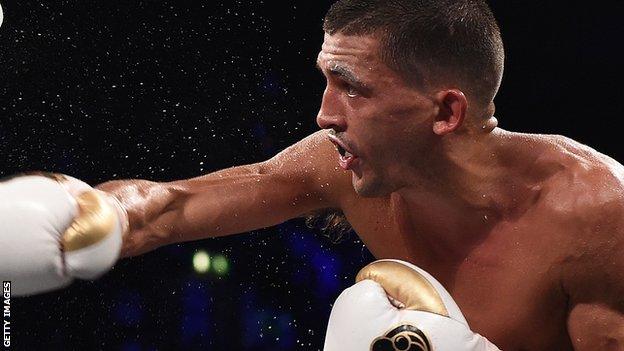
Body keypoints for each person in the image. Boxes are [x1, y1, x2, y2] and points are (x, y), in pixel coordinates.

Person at [1, 0, 623, 349]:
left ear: (446, 111)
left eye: (351, 88)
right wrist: (102, 215)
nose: (324, 113)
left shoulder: (596, 219)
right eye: (325, 79)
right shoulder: (342, 166)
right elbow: (169, 207)